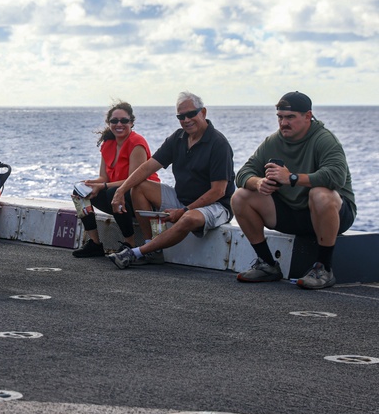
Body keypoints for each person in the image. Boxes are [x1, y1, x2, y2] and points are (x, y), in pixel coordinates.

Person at [233, 92, 356, 289]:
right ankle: (267, 265)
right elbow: (242, 173)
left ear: (308, 116)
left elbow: (336, 177)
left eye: (290, 117)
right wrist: (258, 183)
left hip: (333, 214)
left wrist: (291, 178)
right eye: (280, 117)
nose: (283, 123)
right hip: (293, 214)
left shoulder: (324, 139)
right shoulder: (272, 142)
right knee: (240, 196)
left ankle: (324, 268)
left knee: (320, 193)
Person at [108, 92, 236, 269]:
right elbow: (147, 168)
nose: (186, 120)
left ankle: (138, 252)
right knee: (138, 187)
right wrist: (120, 191)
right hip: (183, 198)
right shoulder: (178, 138)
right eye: (181, 116)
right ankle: (151, 247)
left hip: (216, 205)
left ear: (203, 112)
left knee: (188, 218)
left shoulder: (218, 144)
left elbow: (218, 191)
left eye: (191, 114)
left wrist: (183, 210)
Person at [71, 101, 159, 257]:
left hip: (139, 197)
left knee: (113, 192)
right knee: (80, 192)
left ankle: (129, 244)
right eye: (114, 121)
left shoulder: (136, 143)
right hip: (119, 193)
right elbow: (103, 177)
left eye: (124, 121)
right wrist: (89, 184)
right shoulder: (108, 143)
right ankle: (95, 244)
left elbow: (133, 180)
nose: (119, 124)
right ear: (109, 123)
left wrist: (103, 186)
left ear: (131, 123)